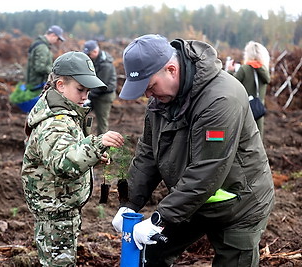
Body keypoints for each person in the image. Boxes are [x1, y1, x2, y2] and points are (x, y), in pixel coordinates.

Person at [111, 34, 275, 267]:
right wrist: (129, 203)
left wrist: (160, 218)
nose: (148, 95)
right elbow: (148, 153)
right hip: (191, 200)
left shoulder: (221, 98)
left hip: (239, 203)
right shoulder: (161, 100)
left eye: (150, 87)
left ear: (171, 69)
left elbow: (207, 170)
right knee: (151, 255)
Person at [21, 51, 125, 267]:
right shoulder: (55, 122)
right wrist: (97, 144)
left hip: (62, 210)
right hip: (55, 214)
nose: (85, 96)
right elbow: (62, 164)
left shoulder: (65, 113)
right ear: (60, 85)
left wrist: (93, 156)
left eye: (87, 91)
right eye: (80, 89)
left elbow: (69, 151)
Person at [9, 25, 65, 107]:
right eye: (58, 39)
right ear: (53, 35)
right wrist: (55, 72)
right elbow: (40, 68)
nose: (57, 41)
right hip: (37, 83)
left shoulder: (39, 44)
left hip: (34, 80)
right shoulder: (42, 47)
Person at [228, 41, 271, 139]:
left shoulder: (245, 69)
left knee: (243, 138)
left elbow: (231, 84)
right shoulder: (264, 71)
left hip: (245, 109)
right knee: (258, 138)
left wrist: (230, 70)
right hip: (258, 109)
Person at [83, 40, 117, 135]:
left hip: (104, 96)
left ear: (95, 51)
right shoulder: (95, 59)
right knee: (84, 115)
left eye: (89, 54)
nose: (88, 57)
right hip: (95, 93)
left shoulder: (105, 64)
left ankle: (102, 145)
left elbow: (101, 85)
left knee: (102, 121)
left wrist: (87, 96)